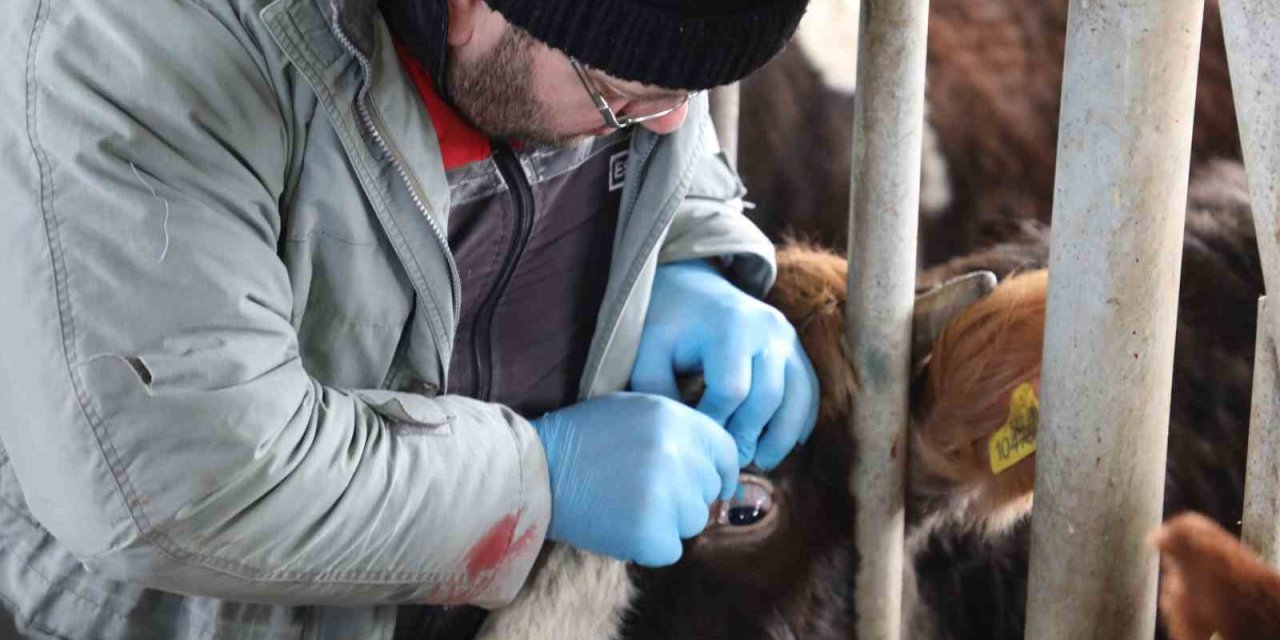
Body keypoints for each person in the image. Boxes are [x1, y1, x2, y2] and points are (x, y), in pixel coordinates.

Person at [0, 0, 818, 637]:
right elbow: (177, 477)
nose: (672, 121)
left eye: (690, 93)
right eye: (624, 99)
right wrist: (536, 480)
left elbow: (650, 88)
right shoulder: (138, 48)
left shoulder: (563, 40)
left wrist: (687, 248)